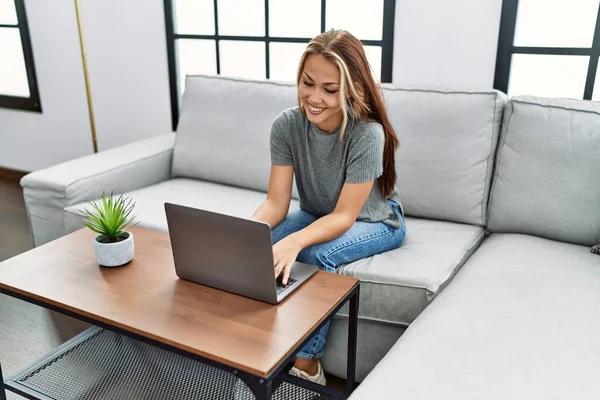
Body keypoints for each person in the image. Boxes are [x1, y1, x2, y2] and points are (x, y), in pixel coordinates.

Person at [251, 29, 406, 385]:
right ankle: (254, 345)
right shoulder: (286, 126)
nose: (314, 97)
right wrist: (248, 233)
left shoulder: (367, 134)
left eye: (330, 89)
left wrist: (295, 242)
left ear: (355, 90)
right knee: (257, 248)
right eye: (308, 83)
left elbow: (344, 216)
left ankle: (308, 365)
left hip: (376, 220)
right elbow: (276, 202)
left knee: (316, 256)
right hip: (319, 213)